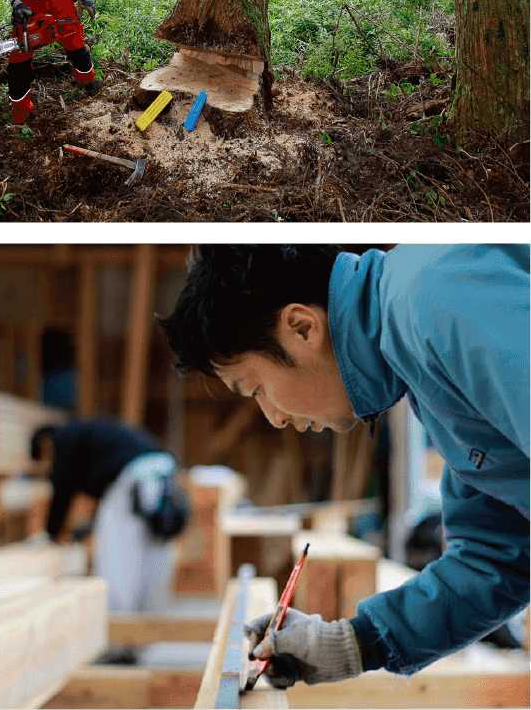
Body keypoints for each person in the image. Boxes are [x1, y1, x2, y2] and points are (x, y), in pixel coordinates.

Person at [162, 242, 530, 686]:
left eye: (256, 388)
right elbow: (497, 557)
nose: (274, 416)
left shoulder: (435, 294)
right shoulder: (424, 374)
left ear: (301, 327)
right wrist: (354, 641)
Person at [30, 418, 190, 614]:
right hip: (161, 472)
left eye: (46, 459)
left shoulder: (65, 438)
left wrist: (51, 533)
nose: (50, 464)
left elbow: (62, 489)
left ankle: (118, 630)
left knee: (117, 559)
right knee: (151, 550)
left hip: (134, 478)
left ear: (44, 443)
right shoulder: (94, 436)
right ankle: (148, 626)